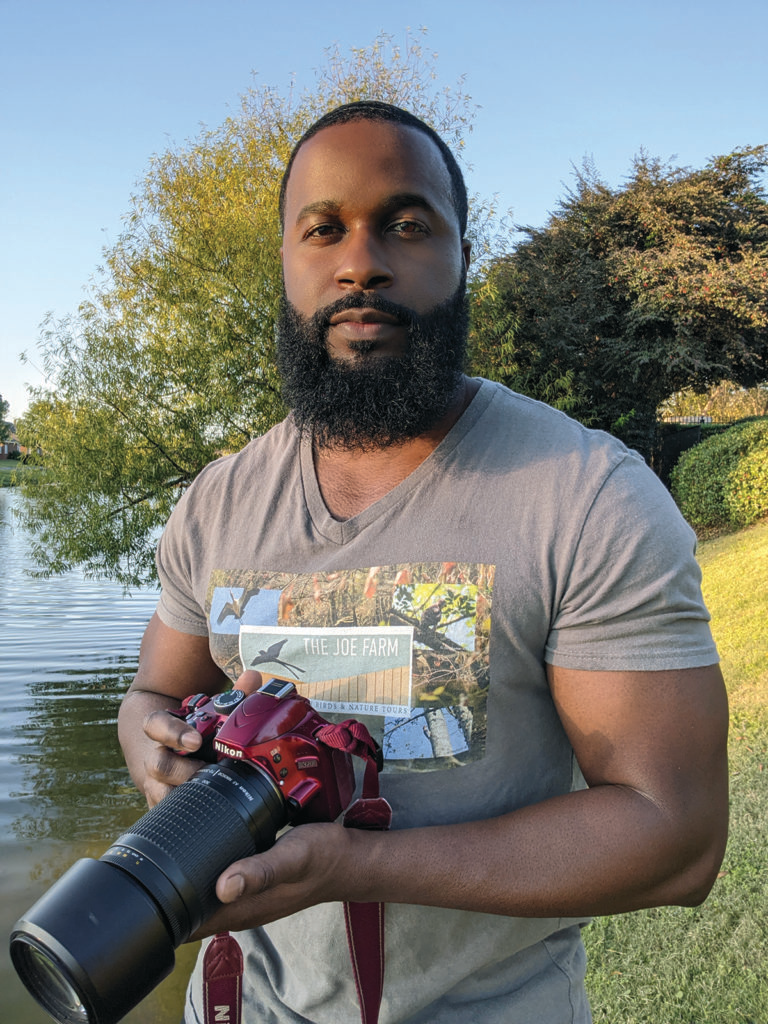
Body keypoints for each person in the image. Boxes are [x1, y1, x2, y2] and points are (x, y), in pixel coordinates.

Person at [118, 101, 729, 1024]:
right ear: (285, 264)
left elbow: (675, 837)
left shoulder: (587, 494)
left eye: (406, 224)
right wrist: (150, 750)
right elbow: (149, 699)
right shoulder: (218, 498)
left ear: (461, 257)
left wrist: (354, 866)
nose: (360, 260)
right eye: (322, 229)